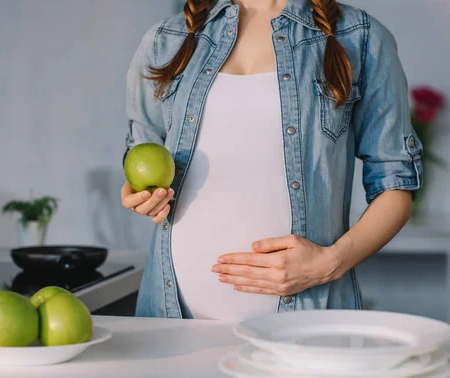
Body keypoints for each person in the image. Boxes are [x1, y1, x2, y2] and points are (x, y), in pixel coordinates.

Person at [121, 0, 422, 320]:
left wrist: (329, 264)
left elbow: (396, 185)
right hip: (172, 315)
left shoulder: (359, 36)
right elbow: (142, 155)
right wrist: (141, 196)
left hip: (304, 322)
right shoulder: (165, 40)